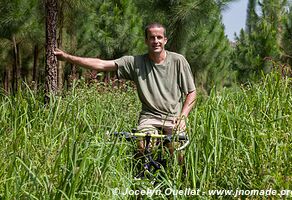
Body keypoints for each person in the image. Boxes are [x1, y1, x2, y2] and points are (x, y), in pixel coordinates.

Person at [54, 22, 196, 165]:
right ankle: (141, 180)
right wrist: (67, 57)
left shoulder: (178, 61)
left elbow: (191, 92)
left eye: (159, 37)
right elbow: (101, 65)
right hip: (149, 118)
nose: (156, 41)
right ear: (146, 40)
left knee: (177, 152)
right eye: (152, 38)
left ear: (165, 40)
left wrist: (183, 116)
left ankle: (180, 183)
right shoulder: (135, 62)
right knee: (144, 147)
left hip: (173, 119)